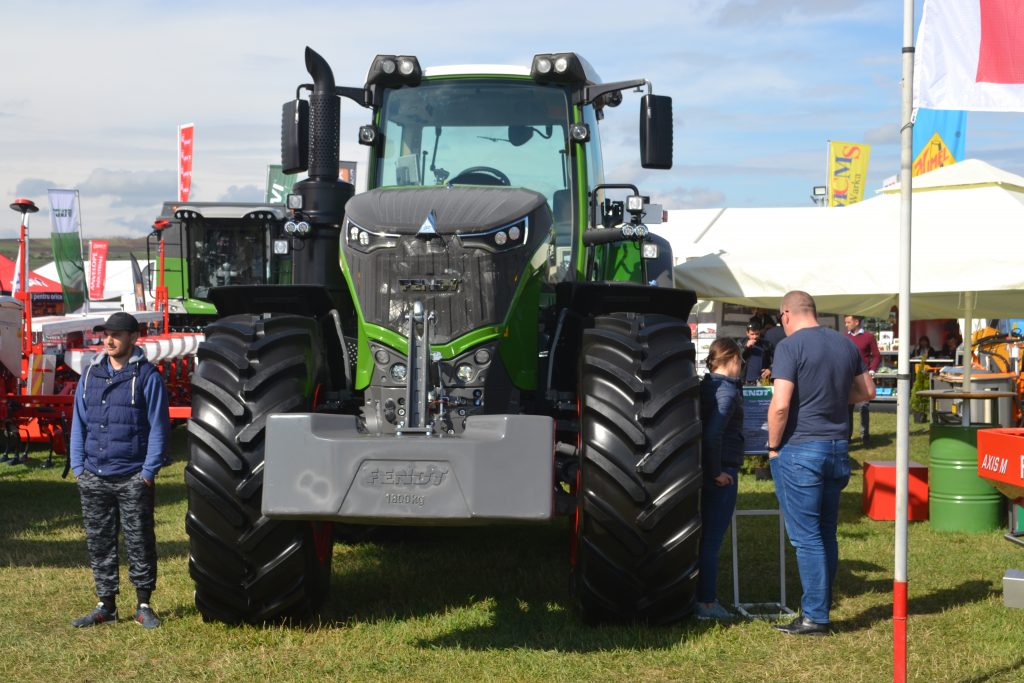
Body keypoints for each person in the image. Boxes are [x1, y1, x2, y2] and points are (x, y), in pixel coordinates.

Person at [766, 292, 875, 636]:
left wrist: (771, 447)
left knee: (807, 538)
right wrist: (832, 399)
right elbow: (867, 391)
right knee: (826, 532)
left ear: (786, 314)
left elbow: (781, 405)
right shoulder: (845, 344)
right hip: (837, 448)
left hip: (800, 450)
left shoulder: (790, 346)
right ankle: (820, 609)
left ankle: (814, 616)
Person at [70, 312, 171, 629]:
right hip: (93, 475)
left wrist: (148, 472)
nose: (109, 340)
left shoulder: (148, 377)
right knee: (99, 542)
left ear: (133, 337)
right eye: (105, 334)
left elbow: (159, 428)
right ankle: (107, 605)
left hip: (133, 477)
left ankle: (143, 605)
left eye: (116, 334)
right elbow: (78, 424)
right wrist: (77, 468)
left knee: (140, 541)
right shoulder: (89, 376)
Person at [695, 338, 745, 621]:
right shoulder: (725, 391)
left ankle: (700, 595)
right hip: (722, 471)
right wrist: (717, 472)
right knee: (712, 540)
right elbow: (713, 434)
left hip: (706, 469)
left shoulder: (706, 386)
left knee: (703, 538)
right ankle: (708, 603)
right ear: (732, 359)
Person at [844, 315, 880, 447]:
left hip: (863, 376)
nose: (846, 325)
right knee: (847, 407)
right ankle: (847, 436)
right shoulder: (845, 337)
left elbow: (876, 355)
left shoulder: (869, 337)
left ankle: (865, 435)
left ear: (856, 322)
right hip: (848, 377)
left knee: (864, 406)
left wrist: (872, 370)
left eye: (848, 322)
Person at [740, 315, 773, 384]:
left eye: (757, 334)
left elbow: (774, 360)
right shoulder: (741, 343)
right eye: (752, 334)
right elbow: (737, 357)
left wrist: (770, 369)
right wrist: (745, 347)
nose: (754, 337)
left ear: (760, 333)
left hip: (762, 380)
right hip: (745, 381)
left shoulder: (766, 344)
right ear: (747, 333)